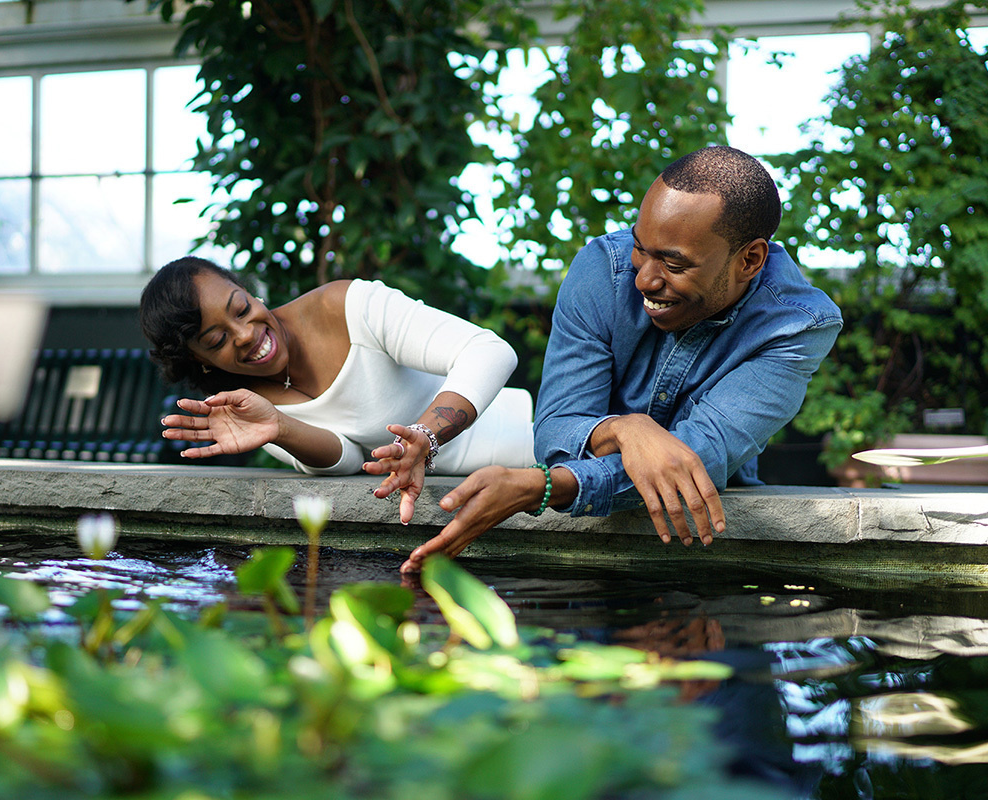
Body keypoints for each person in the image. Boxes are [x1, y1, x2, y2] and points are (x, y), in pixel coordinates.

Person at [400, 145, 843, 572]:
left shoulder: (798, 326)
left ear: (750, 259)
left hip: (710, 547)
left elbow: (699, 458)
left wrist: (544, 487)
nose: (645, 280)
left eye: (674, 264)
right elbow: (555, 431)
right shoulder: (603, 270)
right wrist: (626, 429)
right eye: (640, 249)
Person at [139, 260, 535, 523]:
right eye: (217, 339)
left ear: (250, 292)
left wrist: (425, 438)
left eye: (241, 309)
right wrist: (280, 427)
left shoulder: (345, 306)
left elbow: (489, 351)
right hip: (473, 495)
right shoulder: (247, 405)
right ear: (200, 361)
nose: (246, 334)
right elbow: (347, 460)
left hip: (536, 441)